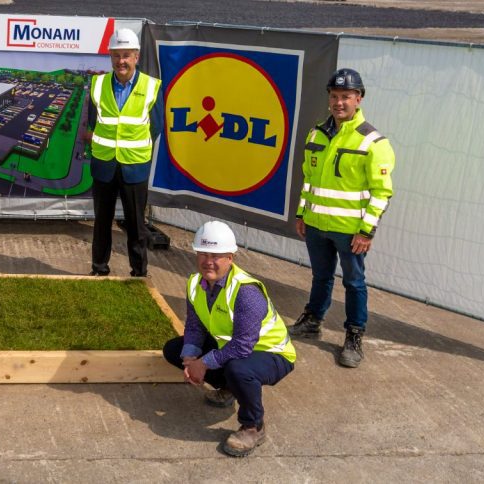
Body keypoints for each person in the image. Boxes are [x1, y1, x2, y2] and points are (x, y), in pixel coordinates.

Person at [287, 68, 395, 368]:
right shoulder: (316, 133)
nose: (339, 103)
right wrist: (302, 214)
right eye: (334, 97)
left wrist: (367, 232)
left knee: (354, 283)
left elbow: (382, 192)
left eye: (346, 97)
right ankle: (312, 321)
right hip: (316, 224)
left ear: (358, 99)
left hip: (350, 232)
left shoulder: (374, 143)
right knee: (320, 276)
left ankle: (354, 335)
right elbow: (308, 179)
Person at [162, 221, 295, 457]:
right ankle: (230, 388)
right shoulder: (195, 283)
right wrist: (190, 359)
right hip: (234, 349)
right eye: (203, 253)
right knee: (174, 349)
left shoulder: (246, 291)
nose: (208, 261)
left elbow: (243, 346)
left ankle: (253, 426)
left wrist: (203, 364)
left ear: (230, 258)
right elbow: (195, 324)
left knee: (238, 369)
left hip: (272, 353)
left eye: (216, 256)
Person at [85, 28, 162, 277]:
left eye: (127, 55)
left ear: (136, 57)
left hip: (134, 167)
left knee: (136, 225)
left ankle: (139, 273)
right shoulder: (97, 85)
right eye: (117, 56)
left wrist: (132, 147)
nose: (122, 61)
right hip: (104, 166)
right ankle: (99, 269)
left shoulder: (151, 87)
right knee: (101, 223)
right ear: (110, 57)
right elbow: (92, 123)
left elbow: (156, 126)